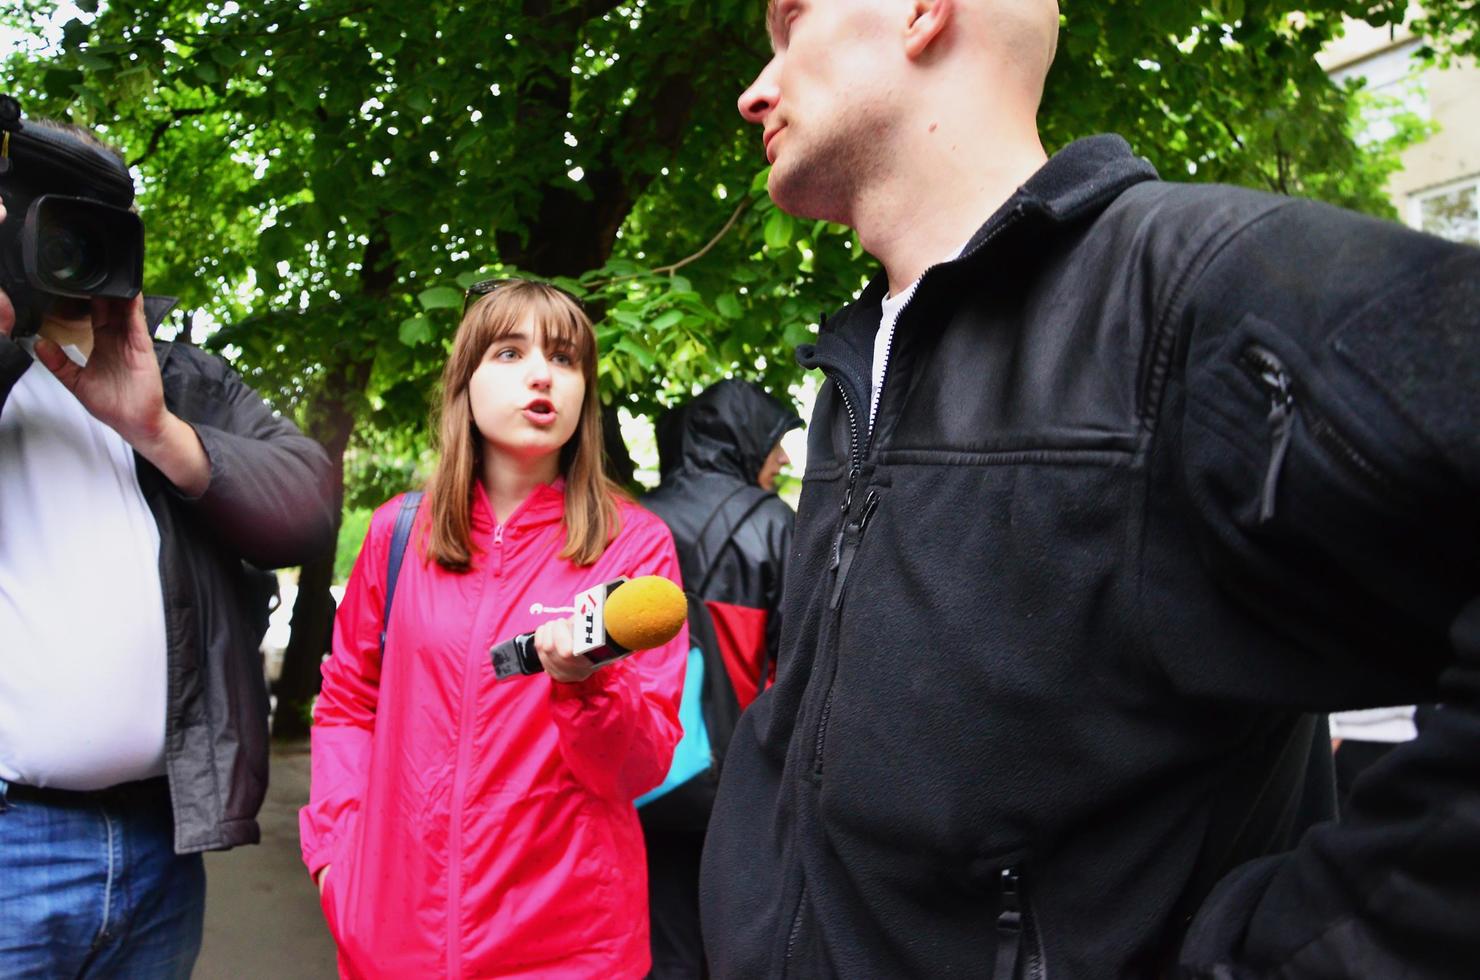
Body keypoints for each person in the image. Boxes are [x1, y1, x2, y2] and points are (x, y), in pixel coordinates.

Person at [700, 1, 1480, 977]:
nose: (753, 90)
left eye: (789, 21)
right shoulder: (848, 382)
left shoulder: (1180, 289)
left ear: (918, 12)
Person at [0, 119, 336, 978]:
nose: (66, 252)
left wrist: (157, 429)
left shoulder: (183, 378)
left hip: (161, 840)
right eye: (44, 226)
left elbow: (307, 507)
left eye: (91, 228)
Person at [300, 279, 688, 978]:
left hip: (571, 950)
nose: (542, 374)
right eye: (510, 353)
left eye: (565, 359)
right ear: (465, 383)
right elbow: (347, 706)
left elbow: (639, 767)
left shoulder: (634, 546)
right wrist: (337, 861)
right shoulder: (396, 534)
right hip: (394, 939)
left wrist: (586, 687)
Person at [640, 379, 801, 977]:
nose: (782, 458)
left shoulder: (634, 518)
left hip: (647, 770)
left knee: (661, 938)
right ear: (741, 440)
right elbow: (795, 666)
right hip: (739, 778)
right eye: (774, 443)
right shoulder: (776, 526)